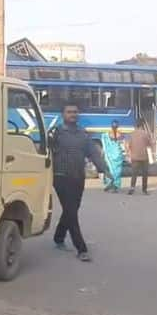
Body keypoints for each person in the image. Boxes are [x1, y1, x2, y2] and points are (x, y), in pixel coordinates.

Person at [49, 102, 112, 262]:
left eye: (75, 112)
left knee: (72, 209)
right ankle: (81, 249)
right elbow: (45, 151)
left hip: (78, 177)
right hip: (60, 177)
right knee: (71, 210)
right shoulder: (56, 133)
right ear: (63, 114)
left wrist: (104, 169)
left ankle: (58, 237)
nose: (73, 115)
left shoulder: (83, 134)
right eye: (69, 112)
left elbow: (94, 154)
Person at [127, 118, 155, 195]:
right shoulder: (145, 134)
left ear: (136, 125)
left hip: (134, 157)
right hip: (144, 157)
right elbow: (150, 144)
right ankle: (144, 190)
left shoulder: (132, 134)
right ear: (142, 126)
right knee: (145, 174)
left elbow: (128, 145)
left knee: (134, 174)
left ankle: (132, 189)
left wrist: (129, 154)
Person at [101, 120, 125, 193]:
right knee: (117, 171)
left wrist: (103, 153)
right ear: (118, 127)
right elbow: (122, 144)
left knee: (109, 169)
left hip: (109, 156)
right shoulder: (120, 134)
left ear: (111, 126)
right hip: (118, 155)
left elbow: (104, 146)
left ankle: (109, 184)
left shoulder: (106, 135)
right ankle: (115, 186)